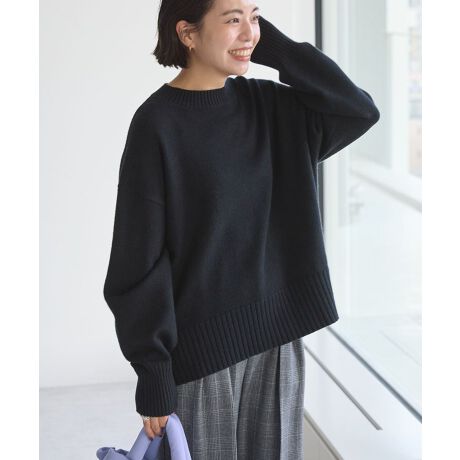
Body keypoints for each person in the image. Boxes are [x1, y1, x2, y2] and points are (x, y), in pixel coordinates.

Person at [102, 0, 380, 458]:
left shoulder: (273, 107)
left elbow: (358, 110)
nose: (250, 32)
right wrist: (153, 373)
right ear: (188, 34)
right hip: (201, 358)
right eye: (233, 20)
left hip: (279, 339)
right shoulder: (157, 124)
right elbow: (139, 261)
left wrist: (273, 48)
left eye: (255, 16)